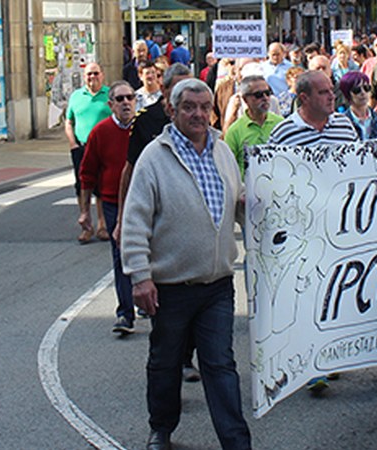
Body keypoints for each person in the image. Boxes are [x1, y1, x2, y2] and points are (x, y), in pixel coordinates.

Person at [121, 78, 251, 450]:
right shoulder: (154, 157)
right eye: (189, 107)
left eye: (203, 107)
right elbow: (135, 220)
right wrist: (140, 277)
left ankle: (236, 441)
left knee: (221, 365)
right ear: (172, 111)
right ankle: (161, 428)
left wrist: (253, 206)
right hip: (170, 287)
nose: (198, 114)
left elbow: (236, 203)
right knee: (165, 362)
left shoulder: (222, 151)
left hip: (217, 285)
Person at [268, 70, 358, 392]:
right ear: (303, 98)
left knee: (336, 295)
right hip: (303, 233)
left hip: (341, 227)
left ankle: (329, 354)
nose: (332, 97)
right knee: (306, 298)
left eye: (332, 91)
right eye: (323, 93)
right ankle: (307, 365)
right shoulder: (283, 134)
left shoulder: (345, 126)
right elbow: (273, 185)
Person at [117, 63, 202, 382]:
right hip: (159, 223)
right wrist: (123, 220)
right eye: (180, 91)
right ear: (166, 93)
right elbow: (130, 171)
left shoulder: (201, 123)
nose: (190, 102)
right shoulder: (147, 122)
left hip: (193, 224)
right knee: (168, 305)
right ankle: (170, 362)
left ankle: (186, 357)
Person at [78, 81, 137, 335]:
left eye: (130, 98)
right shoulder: (100, 132)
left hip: (147, 202)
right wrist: (85, 212)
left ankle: (152, 302)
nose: (126, 103)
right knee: (121, 255)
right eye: (120, 99)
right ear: (110, 104)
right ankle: (125, 313)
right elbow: (87, 173)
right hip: (114, 203)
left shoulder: (145, 129)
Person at [64, 62, 111, 244]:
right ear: (84, 77)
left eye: (96, 73)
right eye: (89, 74)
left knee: (101, 187)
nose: (92, 77)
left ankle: (102, 225)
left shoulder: (109, 95)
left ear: (102, 75)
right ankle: (86, 226)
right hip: (81, 147)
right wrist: (72, 143)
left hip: (103, 148)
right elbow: (69, 122)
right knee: (82, 186)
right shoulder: (76, 96)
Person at [223, 75, 285, 176]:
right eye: (258, 95)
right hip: (247, 189)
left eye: (268, 93)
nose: (265, 98)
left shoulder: (281, 124)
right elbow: (227, 168)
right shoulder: (235, 131)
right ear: (245, 99)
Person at [339, 71, 377, 140]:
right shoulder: (342, 123)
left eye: (366, 88)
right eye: (356, 90)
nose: (363, 93)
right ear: (347, 94)